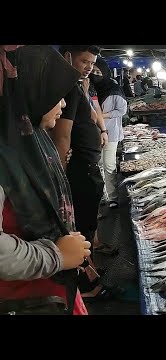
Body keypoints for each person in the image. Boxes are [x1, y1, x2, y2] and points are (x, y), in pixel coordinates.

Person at [0, 45, 91, 315]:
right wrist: (57, 255)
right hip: (23, 299)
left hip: (52, 288)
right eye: (56, 96)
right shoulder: (6, 154)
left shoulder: (33, 141)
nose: (63, 104)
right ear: (32, 93)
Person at [52, 45, 112, 297]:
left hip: (88, 165)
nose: (89, 67)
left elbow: (88, 115)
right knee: (81, 228)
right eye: (84, 61)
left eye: (92, 62)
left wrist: (101, 130)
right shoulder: (66, 89)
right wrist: (61, 172)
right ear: (67, 58)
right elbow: (62, 134)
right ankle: (87, 286)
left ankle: (91, 274)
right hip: (78, 169)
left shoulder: (78, 87)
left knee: (87, 222)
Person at [89, 57, 128, 209]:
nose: (96, 74)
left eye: (99, 71)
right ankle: (103, 195)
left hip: (111, 132)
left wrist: (102, 116)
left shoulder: (114, 89)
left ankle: (113, 197)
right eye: (94, 71)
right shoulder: (90, 88)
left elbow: (122, 110)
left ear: (105, 72)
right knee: (98, 164)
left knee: (109, 164)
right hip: (95, 132)